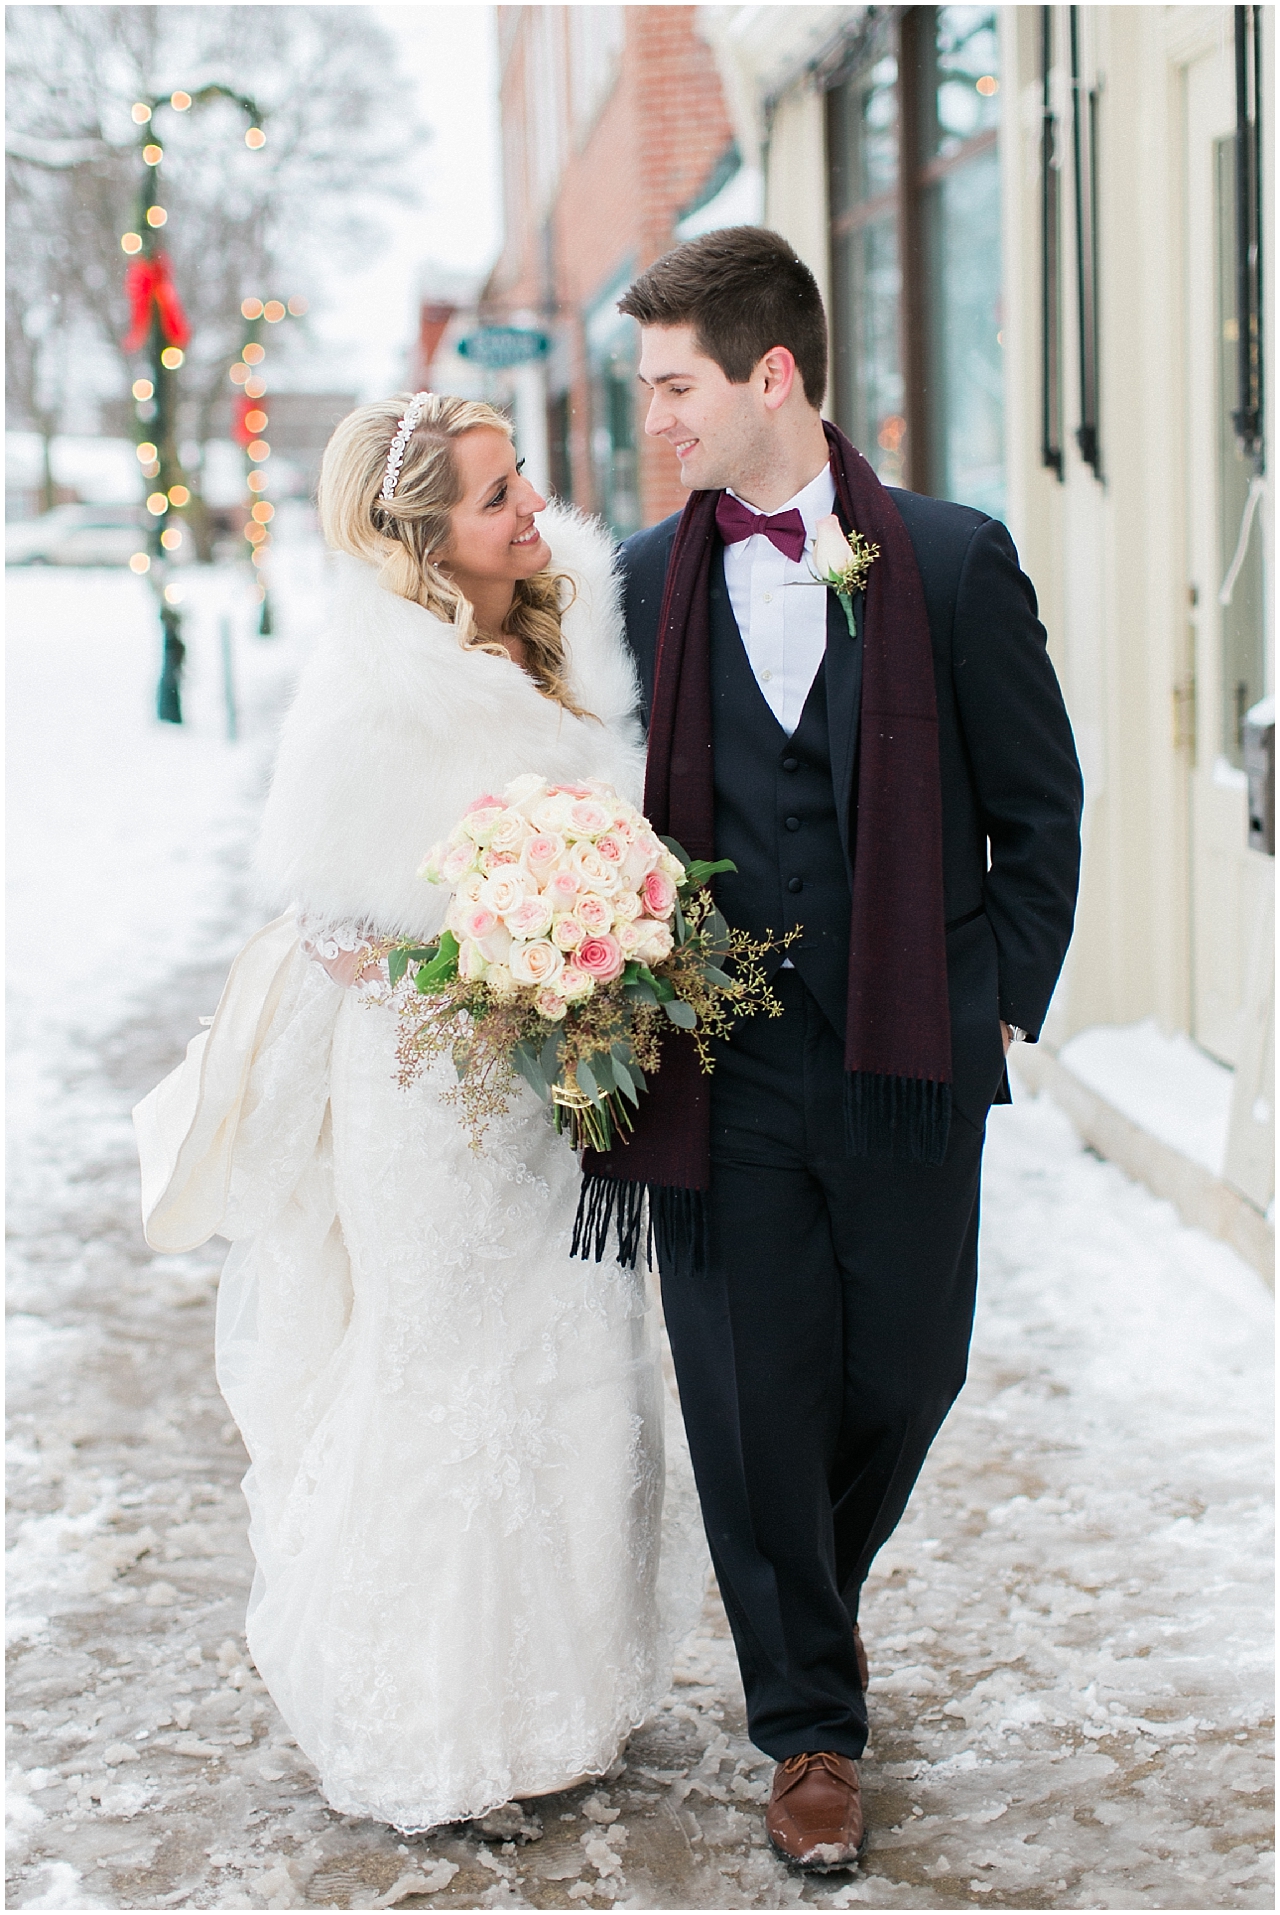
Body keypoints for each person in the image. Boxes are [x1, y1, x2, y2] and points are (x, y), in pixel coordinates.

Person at [576, 228, 1084, 1869]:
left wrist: (997, 990)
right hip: (719, 1073)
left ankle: (813, 1599)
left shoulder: (947, 561)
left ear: (768, 375)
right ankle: (807, 1727)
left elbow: (1038, 806)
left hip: (909, 1053)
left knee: (907, 1370)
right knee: (745, 1399)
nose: (655, 421)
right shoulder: (646, 585)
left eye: (672, 387)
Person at [133, 393, 704, 1833]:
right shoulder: (374, 690)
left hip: (549, 1097)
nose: (531, 509)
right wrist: (491, 950)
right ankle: (434, 1723)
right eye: (495, 495)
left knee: (578, 1358)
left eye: (520, 481)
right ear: (426, 540)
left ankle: (562, 1700)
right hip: (425, 1101)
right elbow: (330, 918)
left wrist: (594, 932)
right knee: (451, 1380)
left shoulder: (569, 629)